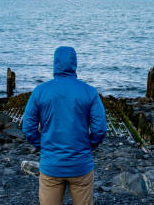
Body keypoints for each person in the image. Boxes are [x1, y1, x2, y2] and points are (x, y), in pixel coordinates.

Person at [22, 46, 107, 205]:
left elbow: (28, 128)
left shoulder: (40, 91)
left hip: (51, 166)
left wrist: (43, 146)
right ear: (74, 63)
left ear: (55, 63)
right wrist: (88, 146)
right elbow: (100, 128)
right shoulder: (89, 91)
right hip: (81, 165)